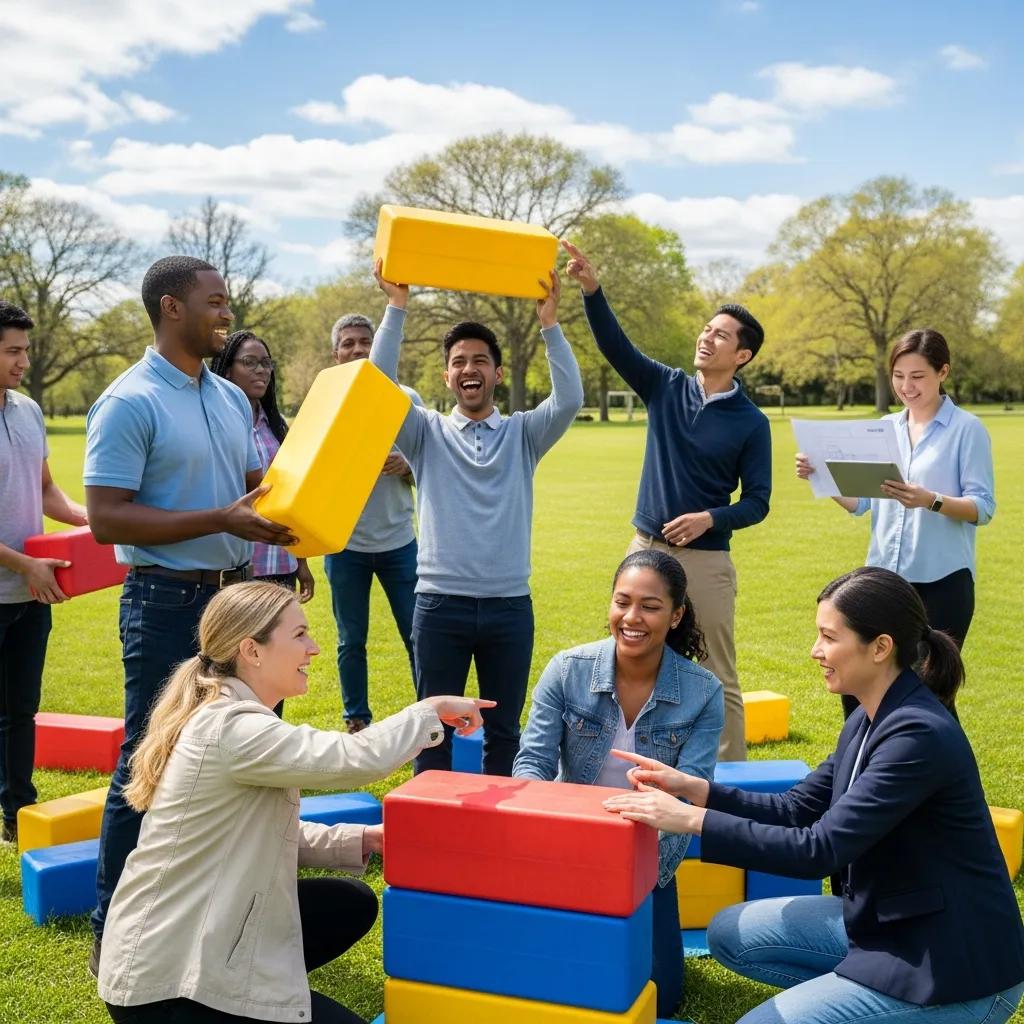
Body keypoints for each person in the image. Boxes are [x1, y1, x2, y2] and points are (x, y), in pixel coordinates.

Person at [604, 566, 1024, 1024]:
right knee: (730, 932)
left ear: (880, 647)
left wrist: (689, 819)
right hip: (889, 927)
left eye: (829, 637)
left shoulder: (917, 737)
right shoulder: (870, 716)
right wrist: (695, 790)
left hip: (952, 969)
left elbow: (817, 850)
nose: (815, 650)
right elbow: (797, 808)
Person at [97, 579, 492, 1023]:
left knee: (348, 902)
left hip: (181, 948)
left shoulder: (229, 716)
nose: (314, 648)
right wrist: (429, 710)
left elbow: (263, 832)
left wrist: (366, 839)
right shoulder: (233, 728)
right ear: (252, 650)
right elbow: (353, 757)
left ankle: (249, 986)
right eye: (300, 634)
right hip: (165, 985)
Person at [84, 256, 296, 963]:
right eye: (215, 302)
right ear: (171, 308)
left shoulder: (231, 399)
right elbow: (107, 518)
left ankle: (224, 914)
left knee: (245, 750)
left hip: (237, 600)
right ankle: (112, 932)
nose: (227, 313)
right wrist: (220, 519)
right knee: (148, 761)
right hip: (166, 600)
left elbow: (254, 491)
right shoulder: (128, 401)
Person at [370, 258, 584, 777]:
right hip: (439, 605)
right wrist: (396, 306)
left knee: (505, 731)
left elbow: (570, 398)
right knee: (433, 731)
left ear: (497, 373)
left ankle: (495, 823)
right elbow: (376, 385)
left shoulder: (524, 434)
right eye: (460, 361)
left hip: (509, 607)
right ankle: (433, 820)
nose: (470, 368)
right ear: (447, 375)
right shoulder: (424, 433)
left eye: (481, 360)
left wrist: (550, 324)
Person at [563, 240, 770, 763]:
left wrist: (710, 519)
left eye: (720, 334)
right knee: (626, 655)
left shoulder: (752, 422)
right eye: (706, 328)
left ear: (742, 356)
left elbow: (758, 501)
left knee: (717, 672)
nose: (706, 337)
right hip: (645, 550)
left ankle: (727, 785)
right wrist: (592, 290)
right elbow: (616, 346)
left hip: (707, 561)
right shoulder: (665, 386)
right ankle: (611, 762)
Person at [513, 549, 724, 1018]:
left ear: (676, 615)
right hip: (568, 850)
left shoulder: (703, 691)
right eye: (622, 602)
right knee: (552, 980)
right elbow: (532, 763)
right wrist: (545, 834)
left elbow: (691, 790)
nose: (632, 618)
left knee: (661, 997)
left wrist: (630, 850)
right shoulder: (566, 670)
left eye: (650, 606)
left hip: (648, 862)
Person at [796, 329, 994, 717]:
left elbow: (983, 508)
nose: (907, 386)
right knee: (862, 685)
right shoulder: (885, 428)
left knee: (927, 695)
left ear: (943, 372)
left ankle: (940, 757)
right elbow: (861, 504)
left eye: (918, 376)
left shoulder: (967, 429)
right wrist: (821, 476)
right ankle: (864, 755)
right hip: (884, 583)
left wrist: (930, 500)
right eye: (898, 376)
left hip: (942, 583)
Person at [0, 300, 88, 845]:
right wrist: (24, 564)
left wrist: (91, 519)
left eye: (26, 350)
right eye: (13, 351)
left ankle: (16, 812)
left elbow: (47, 489)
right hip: (22, 578)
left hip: (33, 592)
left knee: (20, 711)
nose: (24, 362)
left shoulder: (29, 411)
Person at [323, 313, 423, 734]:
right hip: (345, 545)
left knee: (418, 635)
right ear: (336, 353)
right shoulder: (326, 400)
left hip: (400, 543)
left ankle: (431, 715)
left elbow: (437, 469)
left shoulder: (405, 398)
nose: (358, 349)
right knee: (351, 640)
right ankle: (357, 721)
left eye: (366, 341)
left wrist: (409, 465)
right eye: (348, 343)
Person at [210, 329, 315, 599]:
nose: (261, 370)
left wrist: (300, 561)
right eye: (249, 362)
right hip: (236, 566)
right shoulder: (215, 423)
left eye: (266, 363)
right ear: (227, 370)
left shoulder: (276, 426)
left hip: (280, 561)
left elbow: (290, 496)